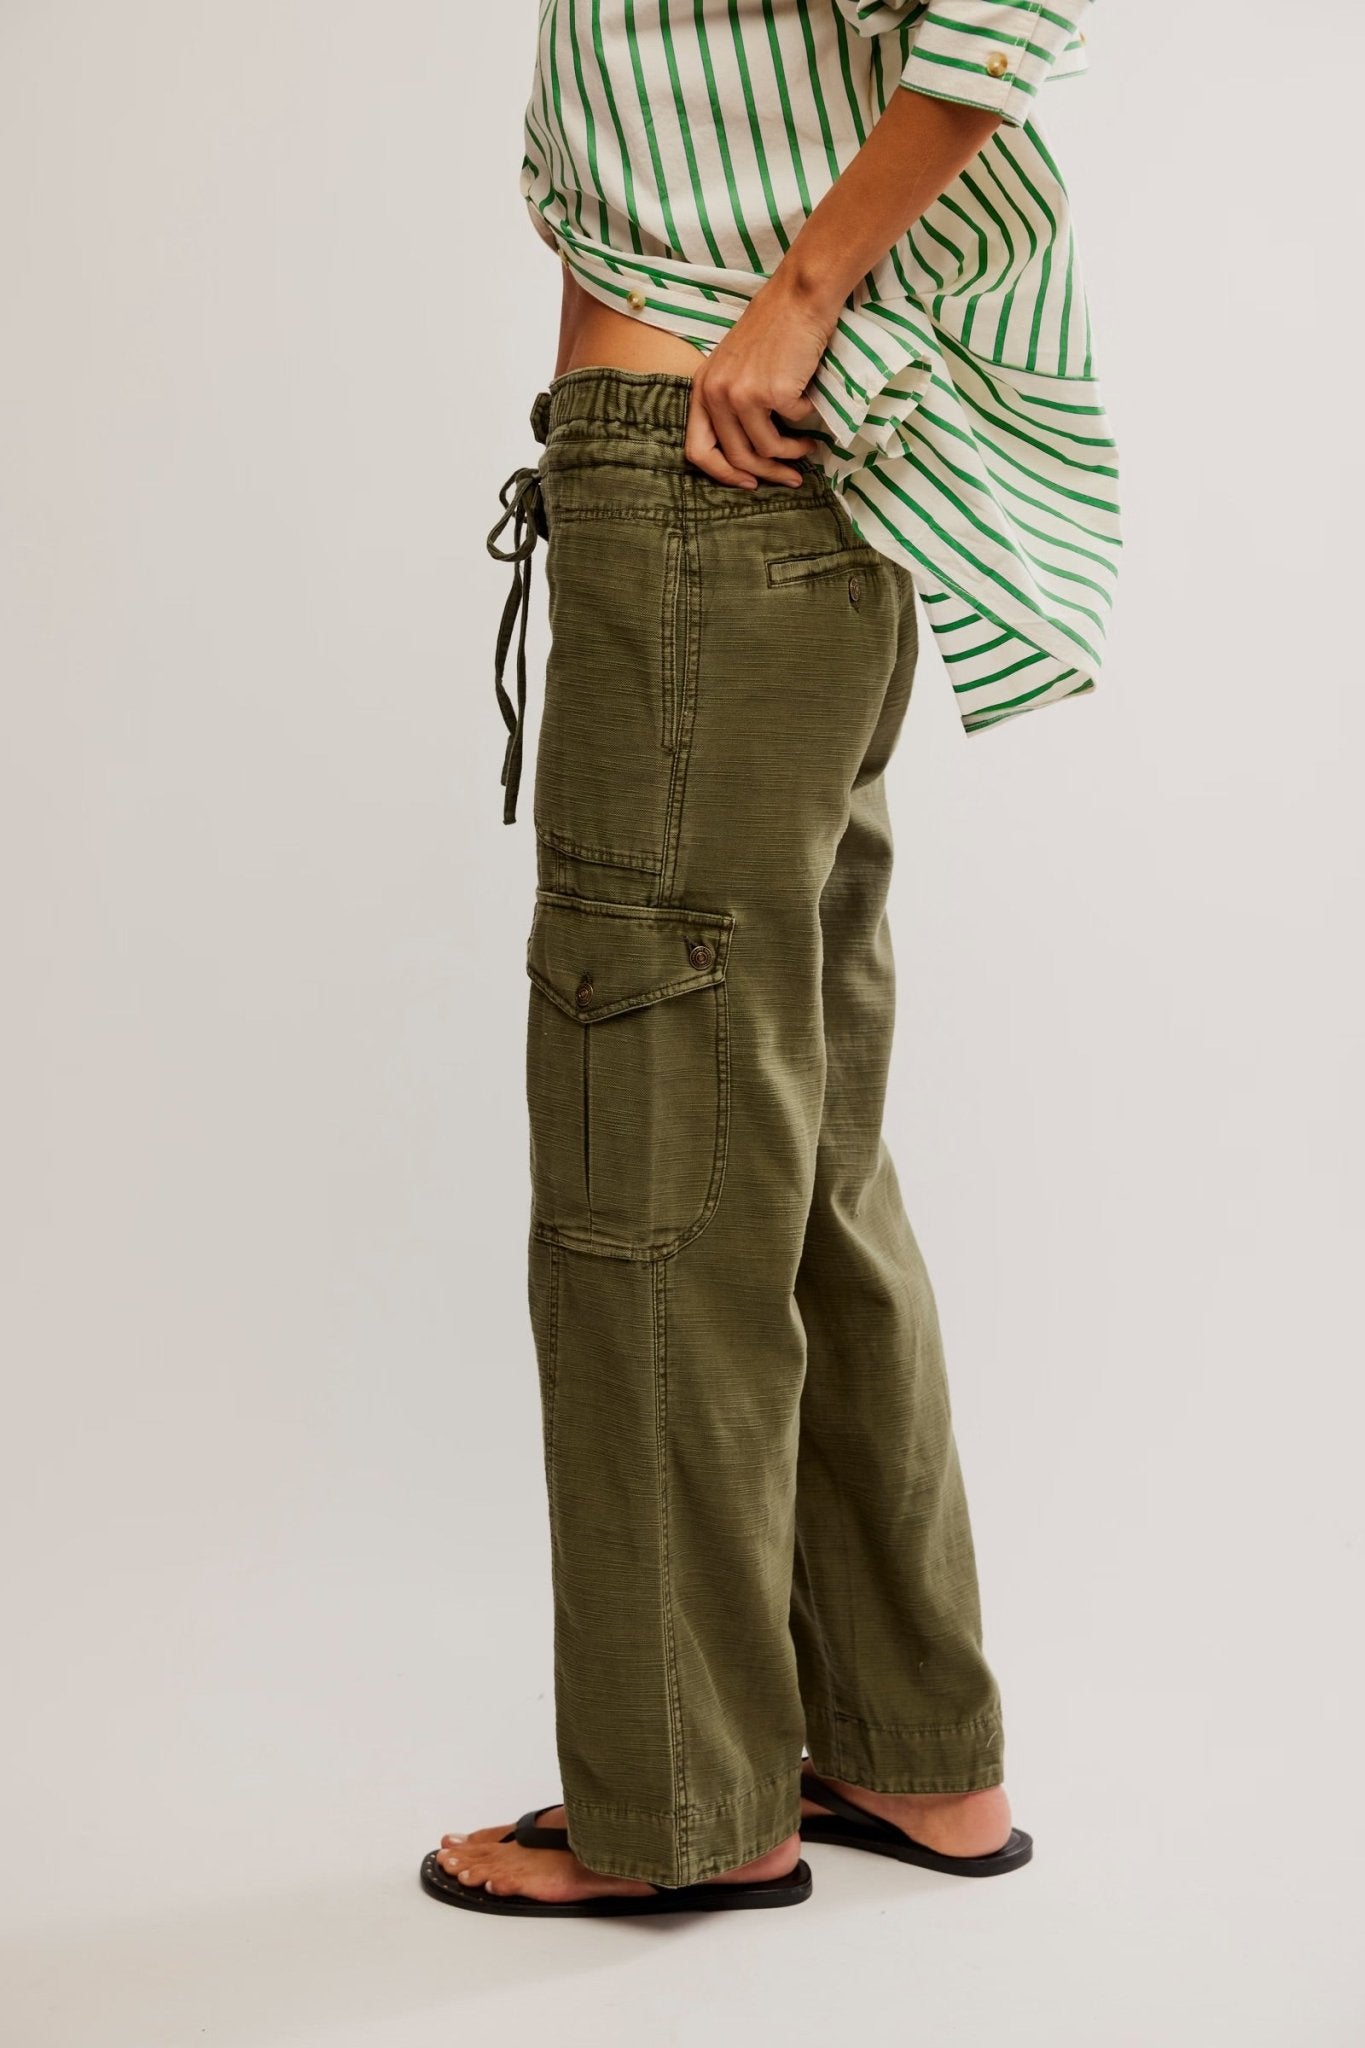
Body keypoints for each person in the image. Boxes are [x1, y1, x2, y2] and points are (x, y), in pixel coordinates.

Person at [422, 0, 1118, 1919]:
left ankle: (686, 1805)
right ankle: (911, 1752)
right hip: (789, 491)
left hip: (705, 479)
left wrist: (798, 299)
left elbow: (1005, 13)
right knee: (798, 1163)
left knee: (648, 1160)